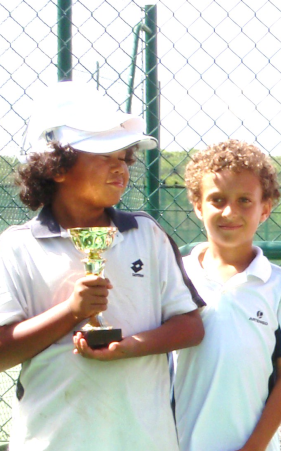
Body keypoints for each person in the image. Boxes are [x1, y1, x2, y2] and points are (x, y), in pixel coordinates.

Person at [0, 81, 204, 450]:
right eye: (103, 157)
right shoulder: (14, 248)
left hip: (144, 440)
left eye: (123, 158)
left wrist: (131, 346)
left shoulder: (147, 234)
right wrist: (71, 311)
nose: (121, 170)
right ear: (56, 167)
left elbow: (189, 326)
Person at [175, 139, 281, 451]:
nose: (230, 211)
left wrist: (252, 448)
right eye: (217, 199)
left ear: (264, 209)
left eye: (244, 200)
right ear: (198, 207)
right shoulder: (174, 277)